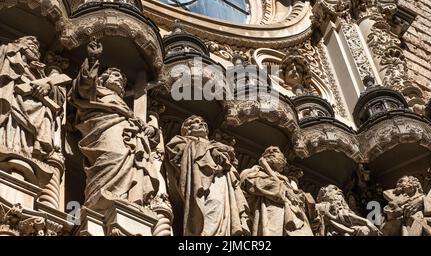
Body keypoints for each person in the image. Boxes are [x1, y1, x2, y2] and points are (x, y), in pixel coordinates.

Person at [70, 38, 160, 212]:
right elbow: (83, 88)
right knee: (111, 157)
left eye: (123, 80)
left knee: (130, 163)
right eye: (116, 75)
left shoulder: (124, 106)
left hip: (127, 136)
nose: (120, 80)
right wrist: (92, 59)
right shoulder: (97, 93)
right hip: (104, 131)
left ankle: (124, 200)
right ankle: (101, 200)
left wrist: (149, 130)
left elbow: (146, 131)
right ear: (103, 78)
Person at [165, 115, 250, 236]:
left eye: (203, 123)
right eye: (195, 122)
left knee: (221, 208)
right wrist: (208, 150)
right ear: (186, 129)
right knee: (209, 206)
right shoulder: (181, 141)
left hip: (221, 179)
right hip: (200, 181)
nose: (201, 124)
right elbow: (177, 157)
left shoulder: (217, 146)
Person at [0, 36, 64, 159]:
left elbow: (59, 99)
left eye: (36, 48)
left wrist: (48, 87)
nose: (34, 47)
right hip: (12, 95)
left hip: (37, 105)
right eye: (30, 44)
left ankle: (27, 152)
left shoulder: (39, 71)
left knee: (45, 112)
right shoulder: (7, 53)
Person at [240, 146, 314, 236]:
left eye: (275, 151)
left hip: (294, 215)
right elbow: (251, 184)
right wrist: (283, 191)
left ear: (283, 161)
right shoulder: (254, 172)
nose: (271, 152)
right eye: (267, 151)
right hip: (270, 209)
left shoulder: (286, 180)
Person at [315, 184, 381, 236]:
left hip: (348, 230)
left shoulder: (347, 210)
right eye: (335, 189)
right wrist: (366, 222)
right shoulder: (323, 206)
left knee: (365, 230)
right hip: (334, 232)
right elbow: (343, 216)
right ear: (325, 195)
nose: (340, 191)